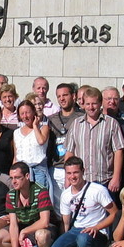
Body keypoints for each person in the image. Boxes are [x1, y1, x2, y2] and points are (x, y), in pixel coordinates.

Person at [49, 156, 118, 247]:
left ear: (83, 171)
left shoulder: (98, 190)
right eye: (69, 173)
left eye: (76, 172)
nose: (72, 177)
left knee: (83, 239)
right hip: (76, 229)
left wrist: (97, 227)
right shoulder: (66, 194)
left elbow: (115, 213)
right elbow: (65, 223)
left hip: (97, 231)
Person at [0, 161, 56, 247]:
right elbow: (13, 224)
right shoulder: (11, 195)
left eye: (17, 177)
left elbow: (45, 221)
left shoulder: (41, 191)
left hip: (42, 228)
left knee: (42, 235)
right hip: (24, 228)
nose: (14, 181)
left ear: (27, 176)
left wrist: (25, 231)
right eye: (12, 178)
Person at [64, 87, 124, 201]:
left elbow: (119, 151)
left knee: (108, 217)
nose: (91, 107)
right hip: (82, 181)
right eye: (88, 104)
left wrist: (116, 177)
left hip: (105, 181)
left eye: (94, 104)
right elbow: (69, 152)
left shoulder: (111, 123)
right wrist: (67, 178)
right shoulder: (76, 124)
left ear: (100, 103)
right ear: (83, 104)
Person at [48, 83, 82, 216]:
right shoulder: (52, 119)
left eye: (65, 95)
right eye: (59, 96)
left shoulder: (81, 118)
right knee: (58, 209)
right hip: (56, 168)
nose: (62, 99)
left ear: (73, 96)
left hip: (75, 169)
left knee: (75, 206)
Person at [13, 100, 50, 188]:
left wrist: (35, 126)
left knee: (39, 199)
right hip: (21, 172)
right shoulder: (16, 132)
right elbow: (16, 156)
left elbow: (41, 141)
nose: (25, 116)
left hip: (38, 172)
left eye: (27, 112)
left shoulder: (43, 128)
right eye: (22, 113)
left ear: (33, 112)